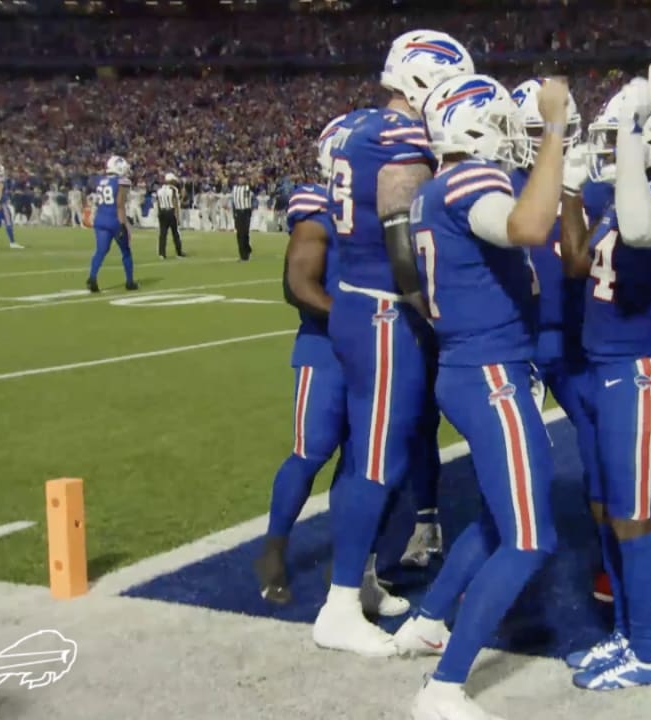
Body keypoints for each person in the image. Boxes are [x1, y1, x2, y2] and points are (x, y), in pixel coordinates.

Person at [391, 72, 567, 720]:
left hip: (471, 367)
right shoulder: (471, 180)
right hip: (490, 373)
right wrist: (552, 128)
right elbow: (525, 225)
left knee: (501, 518)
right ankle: (443, 686)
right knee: (530, 539)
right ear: (475, 124)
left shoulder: (433, 191)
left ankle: (429, 619)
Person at [312, 29, 472, 658]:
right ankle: (340, 603)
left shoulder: (353, 126)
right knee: (378, 459)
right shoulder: (403, 136)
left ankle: (363, 581)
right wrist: (425, 304)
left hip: (356, 299)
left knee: (368, 454)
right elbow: (400, 227)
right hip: (384, 309)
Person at [559, 74, 651, 691]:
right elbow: (572, 260)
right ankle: (623, 631)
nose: (608, 147)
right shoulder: (616, 194)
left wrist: (625, 153)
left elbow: (647, 230)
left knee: (632, 519)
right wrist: (569, 187)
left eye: (620, 137)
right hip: (596, 374)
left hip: (636, 375)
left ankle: (645, 654)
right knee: (602, 511)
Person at [254, 124, 351, 606]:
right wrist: (356, 319)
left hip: (378, 352)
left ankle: (353, 562)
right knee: (312, 451)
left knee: (363, 460)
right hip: (327, 348)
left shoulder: (389, 204)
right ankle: (273, 548)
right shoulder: (318, 205)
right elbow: (297, 285)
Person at [87, 155, 138, 293]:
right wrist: (124, 225)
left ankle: (92, 277)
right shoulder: (122, 181)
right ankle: (129, 282)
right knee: (126, 251)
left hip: (100, 218)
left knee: (100, 251)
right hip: (114, 220)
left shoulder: (100, 180)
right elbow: (120, 205)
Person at [155, 172, 185, 258]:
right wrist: (177, 216)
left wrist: (159, 213)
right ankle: (179, 253)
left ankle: (162, 253)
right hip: (170, 212)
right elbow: (175, 203)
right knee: (175, 233)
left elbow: (158, 203)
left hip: (162, 212)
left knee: (162, 234)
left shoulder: (159, 190)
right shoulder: (173, 189)